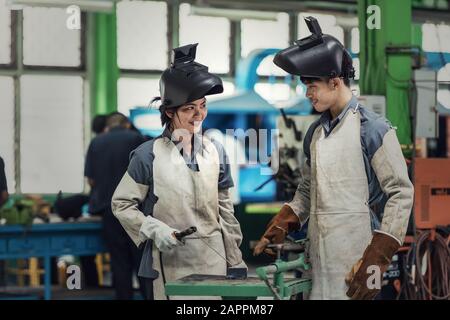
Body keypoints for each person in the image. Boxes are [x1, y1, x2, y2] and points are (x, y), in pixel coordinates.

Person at [253, 17, 414, 300]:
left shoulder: (373, 129)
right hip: (319, 261)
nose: (307, 93)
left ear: (335, 81)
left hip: (359, 264)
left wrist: (377, 258)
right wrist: (284, 221)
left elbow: (400, 193)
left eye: (312, 85)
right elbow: (307, 189)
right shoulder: (315, 133)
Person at [111, 43, 245, 300]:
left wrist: (235, 259)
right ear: (169, 111)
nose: (199, 115)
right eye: (189, 109)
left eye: (203, 106)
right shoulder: (146, 155)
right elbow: (122, 205)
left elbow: (226, 211)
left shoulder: (216, 151)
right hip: (171, 261)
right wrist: (155, 230)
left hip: (213, 260)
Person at [85, 112, 146, 299]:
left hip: (109, 211)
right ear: (126, 124)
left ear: (107, 126)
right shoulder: (137, 139)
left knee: (119, 263)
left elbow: (91, 180)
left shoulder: (96, 143)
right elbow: (148, 174)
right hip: (136, 210)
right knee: (142, 262)